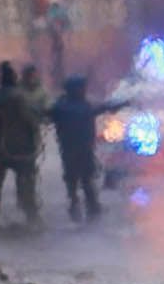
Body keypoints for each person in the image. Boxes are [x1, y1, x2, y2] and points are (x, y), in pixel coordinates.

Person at [0, 62, 49, 228]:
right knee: (26, 180)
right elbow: (29, 119)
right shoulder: (19, 97)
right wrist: (37, 128)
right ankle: (30, 214)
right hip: (20, 148)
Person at [48, 76, 123, 223]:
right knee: (87, 179)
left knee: (72, 180)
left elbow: (45, 114)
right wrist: (123, 104)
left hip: (67, 149)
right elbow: (103, 107)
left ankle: (75, 205)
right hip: (84, 149)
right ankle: (92, 209)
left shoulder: (60, 108)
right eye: (81, 88)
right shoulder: (85, 107)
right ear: (76, 90)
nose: (84, 90)